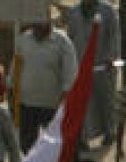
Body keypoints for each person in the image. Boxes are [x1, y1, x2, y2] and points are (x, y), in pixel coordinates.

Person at [65, 0, 121, 148]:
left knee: (107, 99)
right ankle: (84, 137)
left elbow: (114, 35)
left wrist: (111, 57)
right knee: (84, 102)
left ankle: (110, 132)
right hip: (82, 63)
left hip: (104, 63)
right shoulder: (74, 12)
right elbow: (71, 38)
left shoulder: (107, 10)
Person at [13, 18, 78, 151]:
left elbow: (70, 74)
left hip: (52, 105)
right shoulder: (23, 40)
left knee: (56, 145)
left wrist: (65, 99)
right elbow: (15, 70)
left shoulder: (62, 42)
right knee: (27, 145)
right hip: (27, 104)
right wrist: (12, 93)